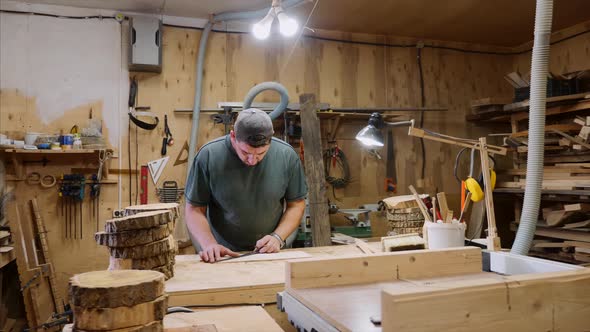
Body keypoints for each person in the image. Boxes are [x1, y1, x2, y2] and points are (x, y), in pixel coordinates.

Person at [185, 108, 308, 263]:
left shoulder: (287, 156)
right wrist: (209, 244)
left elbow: (296, 205)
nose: (252, 160)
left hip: (271, 251)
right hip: (223, 253)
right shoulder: (208, 156)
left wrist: (278, 237)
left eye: (261, 154)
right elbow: (194, 209)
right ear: (233, 136)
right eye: (245, 152)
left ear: (270, 141)